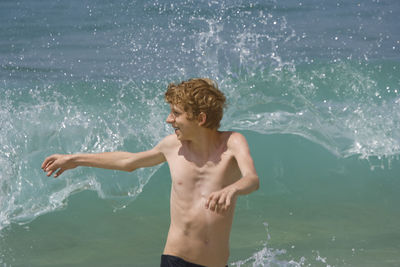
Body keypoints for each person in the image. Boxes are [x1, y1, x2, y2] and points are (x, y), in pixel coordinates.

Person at [41, 78, 259, 267]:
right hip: (176, 260)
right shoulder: (172, 147)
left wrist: (232, 189)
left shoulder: (232, 142)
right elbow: (129, 161)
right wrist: (75, 159)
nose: (169, 119)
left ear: (200, 119)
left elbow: (251, 179)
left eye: (176, 114)